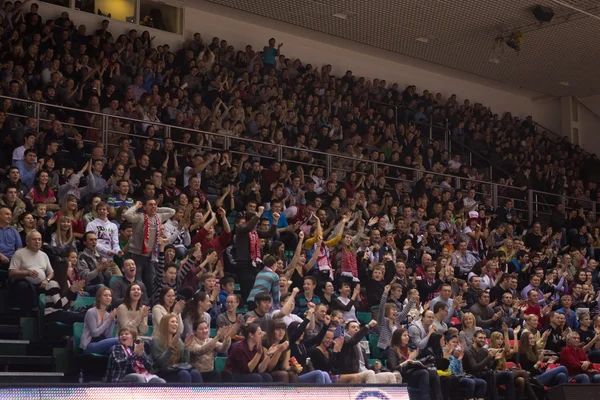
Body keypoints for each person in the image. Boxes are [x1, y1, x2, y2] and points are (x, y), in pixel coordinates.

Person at [123, 199, 175, 294]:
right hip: (136, 255)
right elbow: (127, 215)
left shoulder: (159, 217)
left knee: (151, 283)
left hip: (151, 256)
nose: (153, 206)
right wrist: (136, 206)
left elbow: (172, 211)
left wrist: (156, 209)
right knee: (138, 283)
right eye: (150, 205)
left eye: (155, 204)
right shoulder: (139, 217)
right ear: (144, 207)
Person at [387, 328, 442, 400]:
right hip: (404, 375)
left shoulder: (409, 349)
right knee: (423, 373)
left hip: (413, 373)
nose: (407, 337)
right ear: (398, 338)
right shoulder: (392, 350)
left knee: (433, 373)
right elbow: (394, 368)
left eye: (407, 335)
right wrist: (409, 360)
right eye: (404, 335)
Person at [463, 330, 516, 400]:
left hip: (485, 375)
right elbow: (474, 368)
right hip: (472, 375)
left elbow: (490, 367)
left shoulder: (484, 351)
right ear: (474, 339)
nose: (483, 340)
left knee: (507, 374)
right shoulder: (468, 351)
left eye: (484, 338)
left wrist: (496, 360)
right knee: (490, 374)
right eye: (480, 338)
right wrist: (489, 357)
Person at [8, 230, 52, 313]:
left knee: (53, 284)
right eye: (34, 239)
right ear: (27, 242)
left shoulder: (44, 255)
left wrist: (47, 280)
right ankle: (25, 315)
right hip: (25, 283)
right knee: (23, 285)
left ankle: (50, 313)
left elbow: (51, 272)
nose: (37, 242)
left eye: (39, 239)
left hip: (41, 284)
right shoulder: (19, 253)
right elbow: (11, 272)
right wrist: (27, 272)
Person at [151, 313, 203, 383]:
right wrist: (171, 348)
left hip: (175, 370)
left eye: (176, 322)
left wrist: (186, 348)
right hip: (162, 373)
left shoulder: (178, 340)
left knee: (195, 372)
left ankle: (200, 394)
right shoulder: (156, 340)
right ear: (165, 324)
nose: (175, 324)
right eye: (172, 322)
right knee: (184, 374)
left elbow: (185, 362)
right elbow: (161, 363)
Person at [42, 259, 86, 325]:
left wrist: (75, 292)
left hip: (63, 312)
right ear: (63, 269)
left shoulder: (67, 283)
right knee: (84, 317)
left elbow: (71, 305)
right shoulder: (52, 283)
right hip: (52, 314)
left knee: (87, 315)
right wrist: (71, 291)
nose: (72, 269)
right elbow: (58, 304)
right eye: (70, 267)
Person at [420, 332, 461, 400]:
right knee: (448, 380)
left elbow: (444, 368)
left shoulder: (439, 350)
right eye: (442, 340)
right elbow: (437, 367)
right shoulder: (428, 351)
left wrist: (446, 355)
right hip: (431, 375)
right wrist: (446, 354)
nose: (444, 342)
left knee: (455, 378)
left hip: (440, 373)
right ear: (437, 341)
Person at [81, 287, 119, 354]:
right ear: (99, 298)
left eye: (110, 296)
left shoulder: (107, 315)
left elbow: (108, 336)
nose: (108, 297)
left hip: (102, 343)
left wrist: (112, 321)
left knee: (116, 349)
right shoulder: (91, 312)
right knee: (120, 339)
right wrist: (108, 320)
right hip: (90, 344)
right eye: (105, 295)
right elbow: (94, 334)